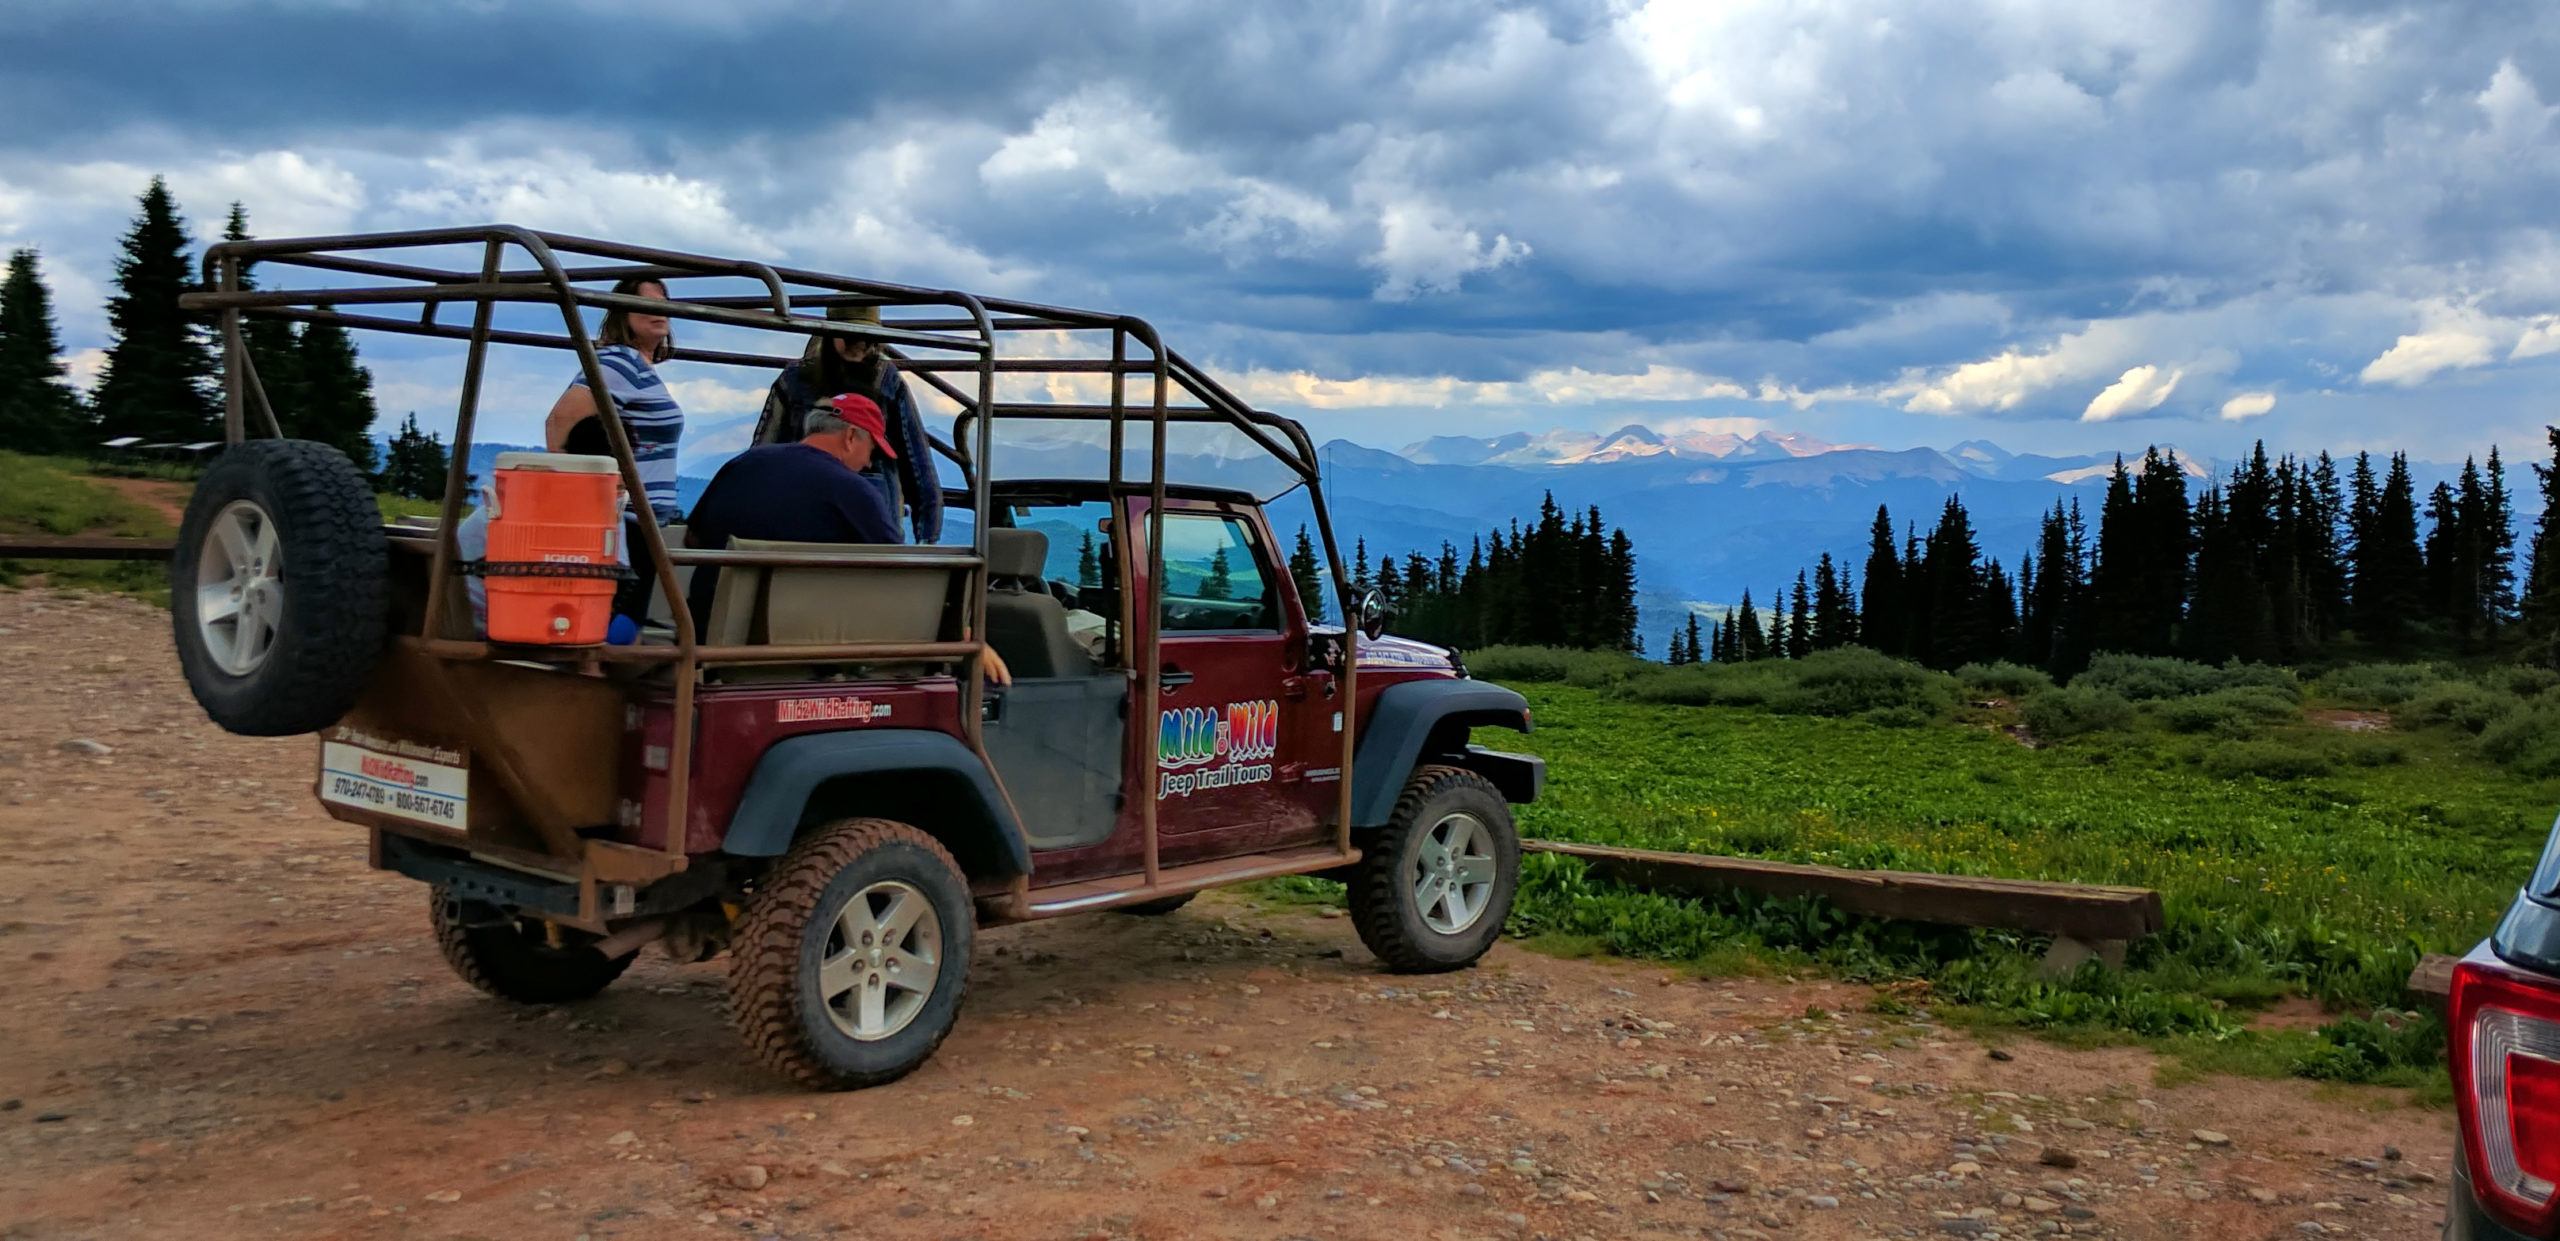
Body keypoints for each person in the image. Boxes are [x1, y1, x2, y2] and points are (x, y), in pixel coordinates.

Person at [688, 393, 1008, 683]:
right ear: (852, 436)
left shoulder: (742, 463)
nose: (868, 463)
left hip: (702, 638)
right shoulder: (851, 490)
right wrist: (969, 640)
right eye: (871, 450)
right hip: (789, 654)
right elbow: (907, 581)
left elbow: (692, 539)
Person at [758, 303, 942, 542]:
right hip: (807, 517)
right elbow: (764, 452)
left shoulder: (887, 380)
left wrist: (927, 541)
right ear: (830, 333)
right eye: (853, 337)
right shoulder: (795, 380)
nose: (861, 345)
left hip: (872, 524)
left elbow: (917, 463)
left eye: (868, 339)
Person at [548, 277, 685, 524]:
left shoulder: (638, 366)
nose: (659, 310)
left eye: (663, 303)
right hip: (624, 518)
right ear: (623, 314)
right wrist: (582, 495)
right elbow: (562, 422)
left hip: (645, 518)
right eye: (645, 303)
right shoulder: (619, 361)